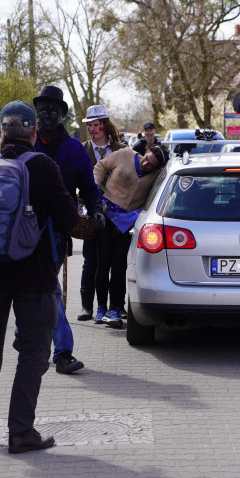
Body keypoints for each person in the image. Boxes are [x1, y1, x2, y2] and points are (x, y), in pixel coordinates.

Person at [0, 100, 79, 453]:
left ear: (0, 130)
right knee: (34, 351)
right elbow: (68, 220)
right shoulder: (44, 166)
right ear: (34, 131)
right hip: (35, 276)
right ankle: (20, 431)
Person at [33, 85, 105, 374]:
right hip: (23, 229)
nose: (48, 115)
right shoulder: (27, 143)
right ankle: (30, 338)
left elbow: (88, 187)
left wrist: (97, 210)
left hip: (56, 233)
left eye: (53, 110)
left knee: (48, 287)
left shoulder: (74, 149)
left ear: (62, 115)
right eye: (43, 109)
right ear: (36, 113)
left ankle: (60, 351)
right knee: (39, 288)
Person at [93, 145, 168, 328]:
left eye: (151, 165)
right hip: (106, 215)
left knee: (119, 266)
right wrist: (94, 191)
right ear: (146, 152)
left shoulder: (156, 175)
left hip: (128, 223)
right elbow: (100, 166)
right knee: (103, 263)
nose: (145, 164)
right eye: (146, 158)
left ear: (157, 168)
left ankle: (115, 308)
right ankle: (101, 306)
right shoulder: (125, 154)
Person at [80, 104, 126, 321]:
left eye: (96, 125)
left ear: (105, 125)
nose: (92, 129)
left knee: (118, 263)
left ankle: (118, 305)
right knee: (91, 260)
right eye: (89, 125)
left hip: (118, 215)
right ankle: (87, 306)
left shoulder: (121, 149)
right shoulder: (81, 150)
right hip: (91, 214)